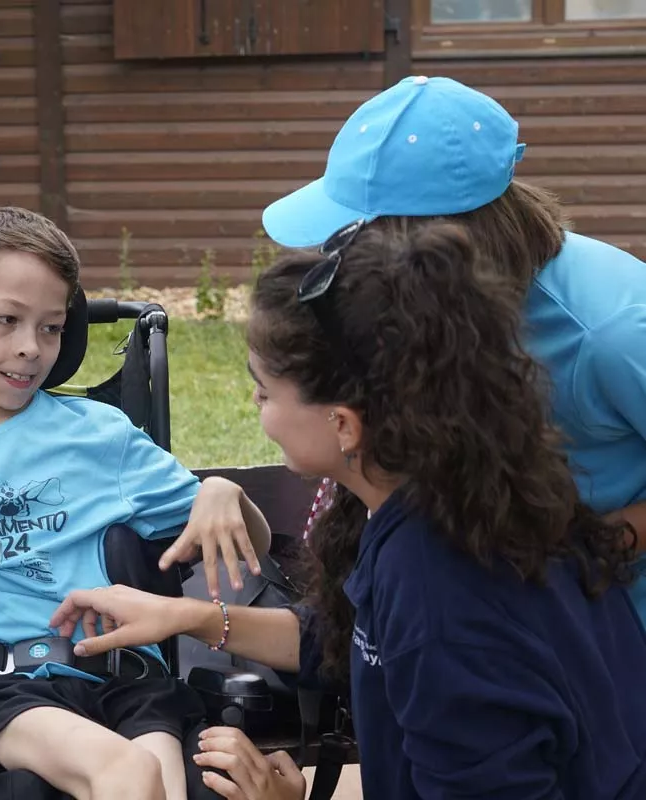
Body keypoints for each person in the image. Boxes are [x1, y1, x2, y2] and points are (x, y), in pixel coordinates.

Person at [49, 221, 646, 798]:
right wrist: (185, 616)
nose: (256, 406)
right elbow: (346, 640)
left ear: (343, 425)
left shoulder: (439, 594)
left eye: (264, 391)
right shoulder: (456, 496)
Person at [0, 206, 273, 800]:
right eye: (7, 320)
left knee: (159, 783)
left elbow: (251, 545)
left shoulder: (100, 435)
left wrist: (225, 494)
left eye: (50, 327)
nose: (31, 348)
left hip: (128, 677)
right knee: (129, 774)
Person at [261, 74, 646, 625]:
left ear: (440, 238)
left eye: (357, 235)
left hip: (609, 630)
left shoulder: (610, 330)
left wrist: (575, 555)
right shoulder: (431, 308)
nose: (340, 255)